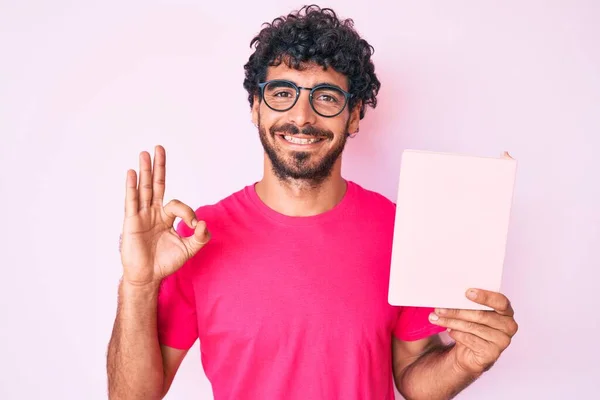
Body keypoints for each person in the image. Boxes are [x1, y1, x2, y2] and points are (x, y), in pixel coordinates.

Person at [106, 5, 518, 400]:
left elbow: (415, 376)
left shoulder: (400, 229)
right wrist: (139, 285)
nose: (301, 116)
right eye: (282, 92)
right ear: (255, 107)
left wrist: (466, 360)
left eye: (325, 97)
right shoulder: (197, 237)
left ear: (354, 115)